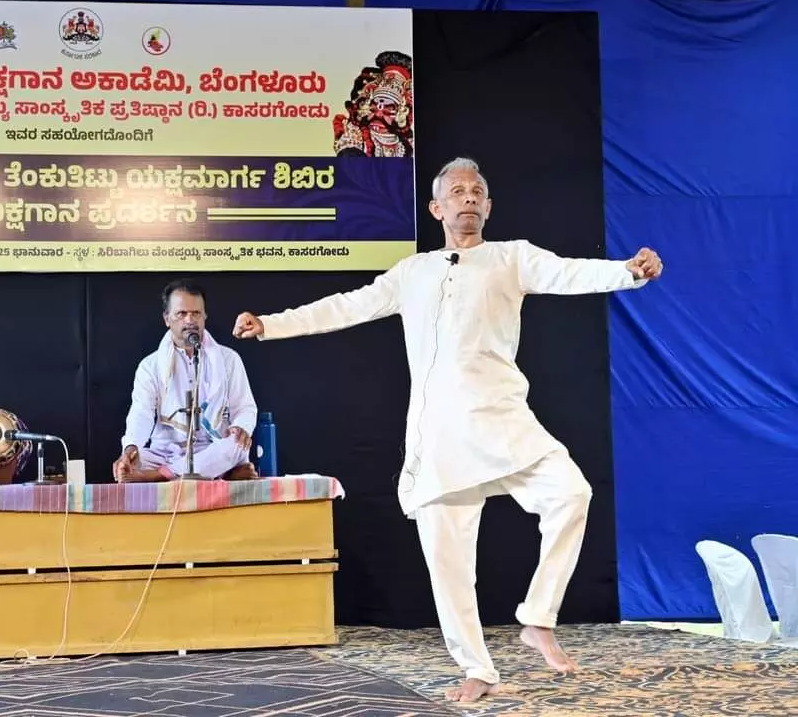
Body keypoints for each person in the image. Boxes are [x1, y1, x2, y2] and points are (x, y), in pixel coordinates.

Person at [233, 157, 662, 703]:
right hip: (439, 436)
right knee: (449, 564)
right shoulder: (412, 273)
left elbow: (569, 273)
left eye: (477, 190)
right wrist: (271, 325)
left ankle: (537, 617)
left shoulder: (511, 258)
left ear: (489, 206)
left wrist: (628, 271)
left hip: (503, 421)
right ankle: (477, 668)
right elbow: (346, 307)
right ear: (437, 208)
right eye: (457, 191)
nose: (469, 197)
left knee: (572, 494)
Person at [114, 279, 259, 483]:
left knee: (236, 444)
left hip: (211, 448)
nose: (190, 320)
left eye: (196, 313)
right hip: (164, 453)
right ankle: (221, 474)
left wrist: (241, 427)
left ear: (205, 316)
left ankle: (160, 476)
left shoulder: (229, 359)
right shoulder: (150, 366)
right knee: (132, 463)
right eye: (181, 314)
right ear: (167, 319)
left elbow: (245, 407)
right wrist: (131, 447)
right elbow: (141, 413)